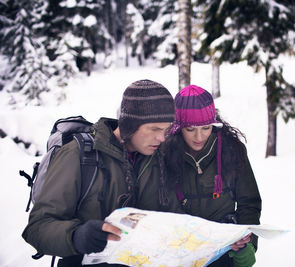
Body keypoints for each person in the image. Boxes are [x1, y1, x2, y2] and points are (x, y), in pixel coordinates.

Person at [22, 79, 183, 267]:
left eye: (166, 129)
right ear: (130, 124)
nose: (162, 138)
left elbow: (173, 216)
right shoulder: (77, 155)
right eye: (154, 129)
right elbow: (37, 228)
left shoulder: (157, 159)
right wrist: (76, 236)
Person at [164, 85, 262, 267]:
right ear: (178, 128)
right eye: (190, 129)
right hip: (183, 252)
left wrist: (247, 244)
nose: (199, 137)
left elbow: (249, 202)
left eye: (205, 127)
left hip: (225, 249)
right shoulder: (165, 153)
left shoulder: (232, 150)